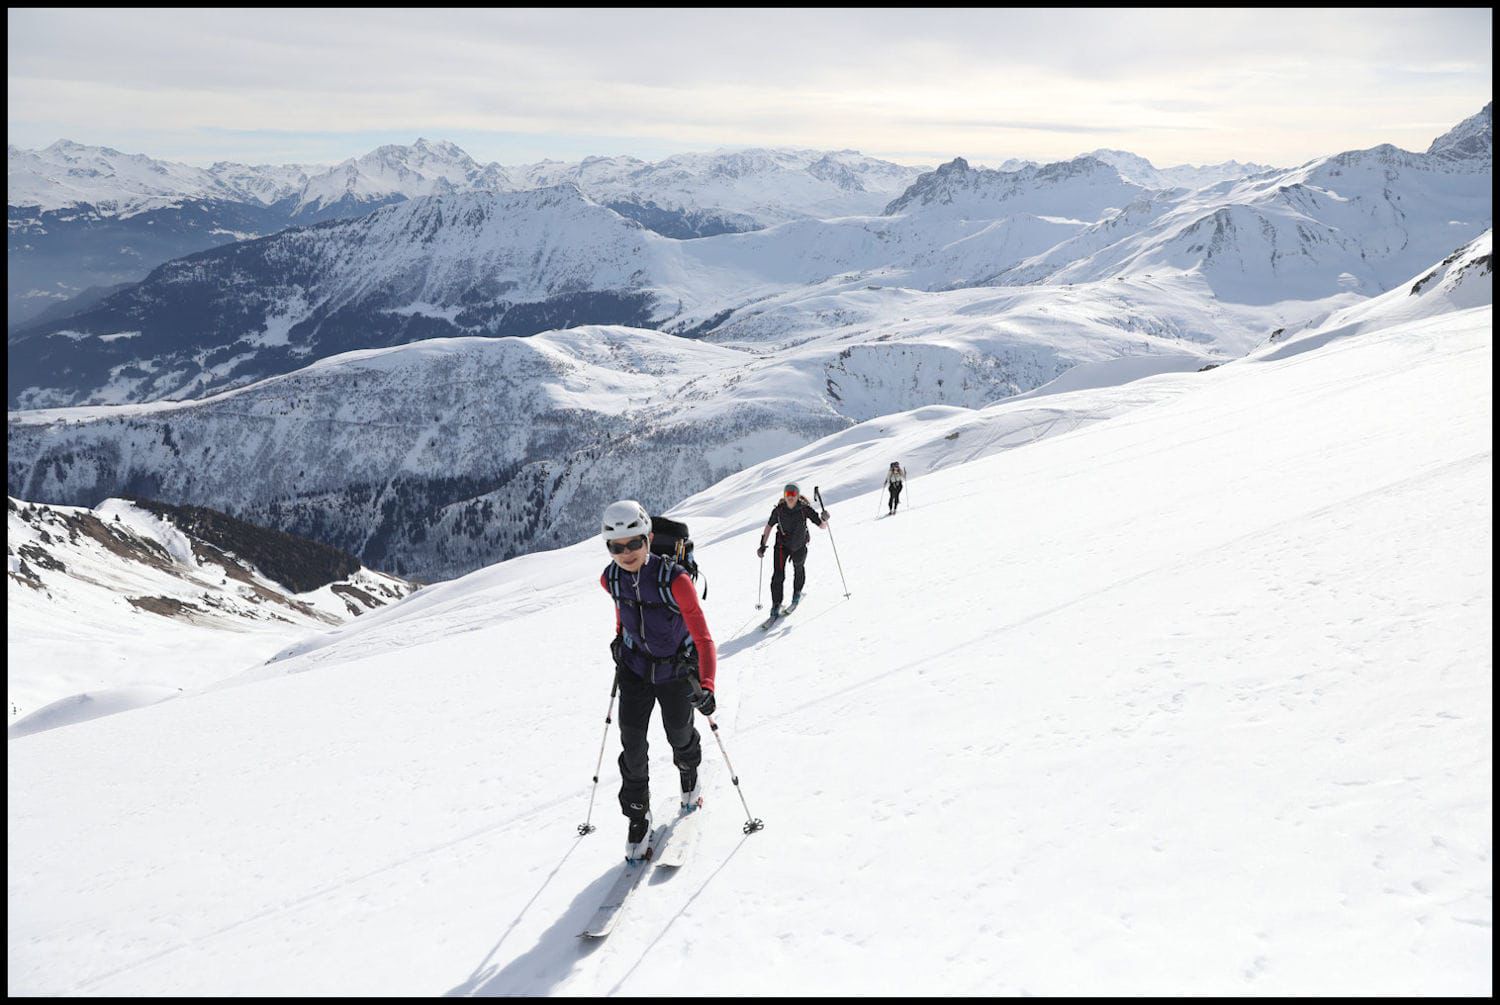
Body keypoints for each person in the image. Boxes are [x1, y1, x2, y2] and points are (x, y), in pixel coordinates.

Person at [599, 500, 718, 860]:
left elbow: (703, 638)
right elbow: (624, 609)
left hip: (674, 670)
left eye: (634, 543)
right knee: (632, 745)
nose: (626, 553)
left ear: (649, 539)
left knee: (679, 734)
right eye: (616, 547)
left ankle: (689, 771)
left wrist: (707, 684)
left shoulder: (676, 581)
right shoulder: (610, 578)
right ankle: (638, 817)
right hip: (635, 669)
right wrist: (619, 639)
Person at [756, 482, 830, 616]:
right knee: (778, 575)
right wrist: (762, 545)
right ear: (784, 495)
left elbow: (822, 526)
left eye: (793, 494)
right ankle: (776, 604)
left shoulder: (804, 509)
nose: (790, 497)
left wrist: (824, 519)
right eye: (788, 494)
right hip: (781, 546)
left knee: (798, 569)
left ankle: (797, 593)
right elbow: (769, 526)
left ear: (797, 495)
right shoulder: (778, 511)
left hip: (799, 545)